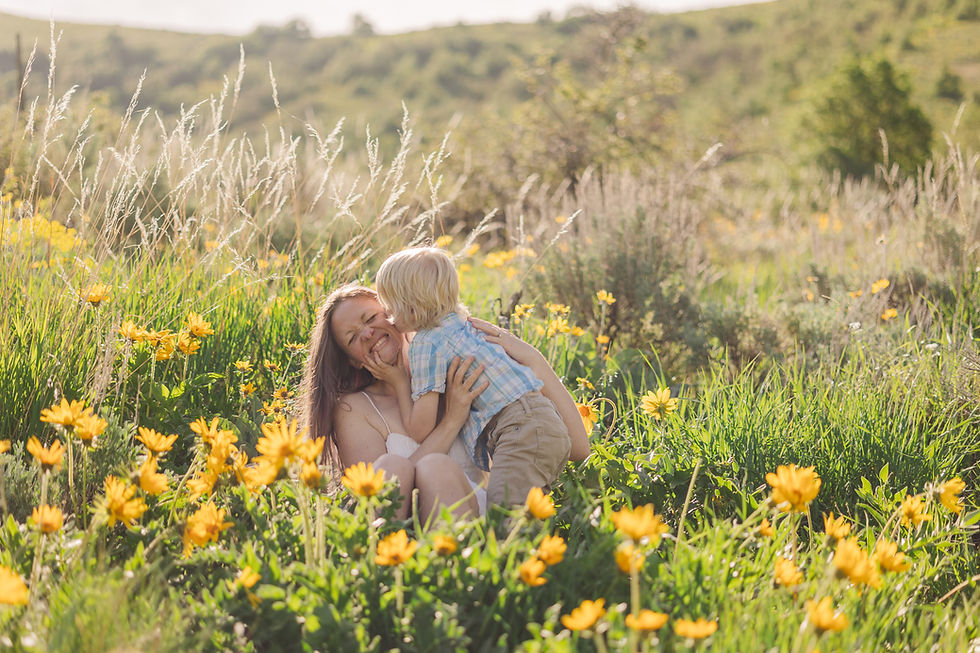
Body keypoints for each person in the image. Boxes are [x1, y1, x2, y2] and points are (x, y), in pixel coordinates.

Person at [300, 283, 589, 522]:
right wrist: (452, 419)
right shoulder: (355, 408)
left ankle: (465, 577)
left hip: (478, 520)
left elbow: (578, 446)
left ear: (396, 312)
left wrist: (533, 359)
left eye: (370, 318)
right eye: (352, 338)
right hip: (401, 535)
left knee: (436, 468)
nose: (367, 334)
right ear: (352, 361)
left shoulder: (461, 369)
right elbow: (379, 492)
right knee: (402, 466)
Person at [375, 247, 571, 507]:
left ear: (410, 307)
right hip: (545, 420)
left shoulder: (427, 342)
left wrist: (400, 382)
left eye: (389, 305)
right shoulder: (465, 325)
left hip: (518, 429)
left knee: (505, 519)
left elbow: (420, 429)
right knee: (523, 516)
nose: (387, 315)